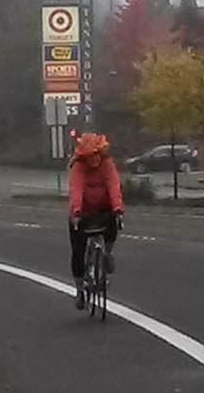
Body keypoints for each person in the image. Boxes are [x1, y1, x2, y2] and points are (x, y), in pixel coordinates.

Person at [68, 132, 124, 310]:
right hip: (84, 211)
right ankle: (79, 290)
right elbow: (76, 188)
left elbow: (113, 186)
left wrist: (118, 208)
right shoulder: (78, 167)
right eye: (89, 155)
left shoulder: (107, 164)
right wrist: (77, 212)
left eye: (96, 154)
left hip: (104, 208)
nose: (94, 159)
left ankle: (108, 253)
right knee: (78, 251)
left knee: (114, 221)